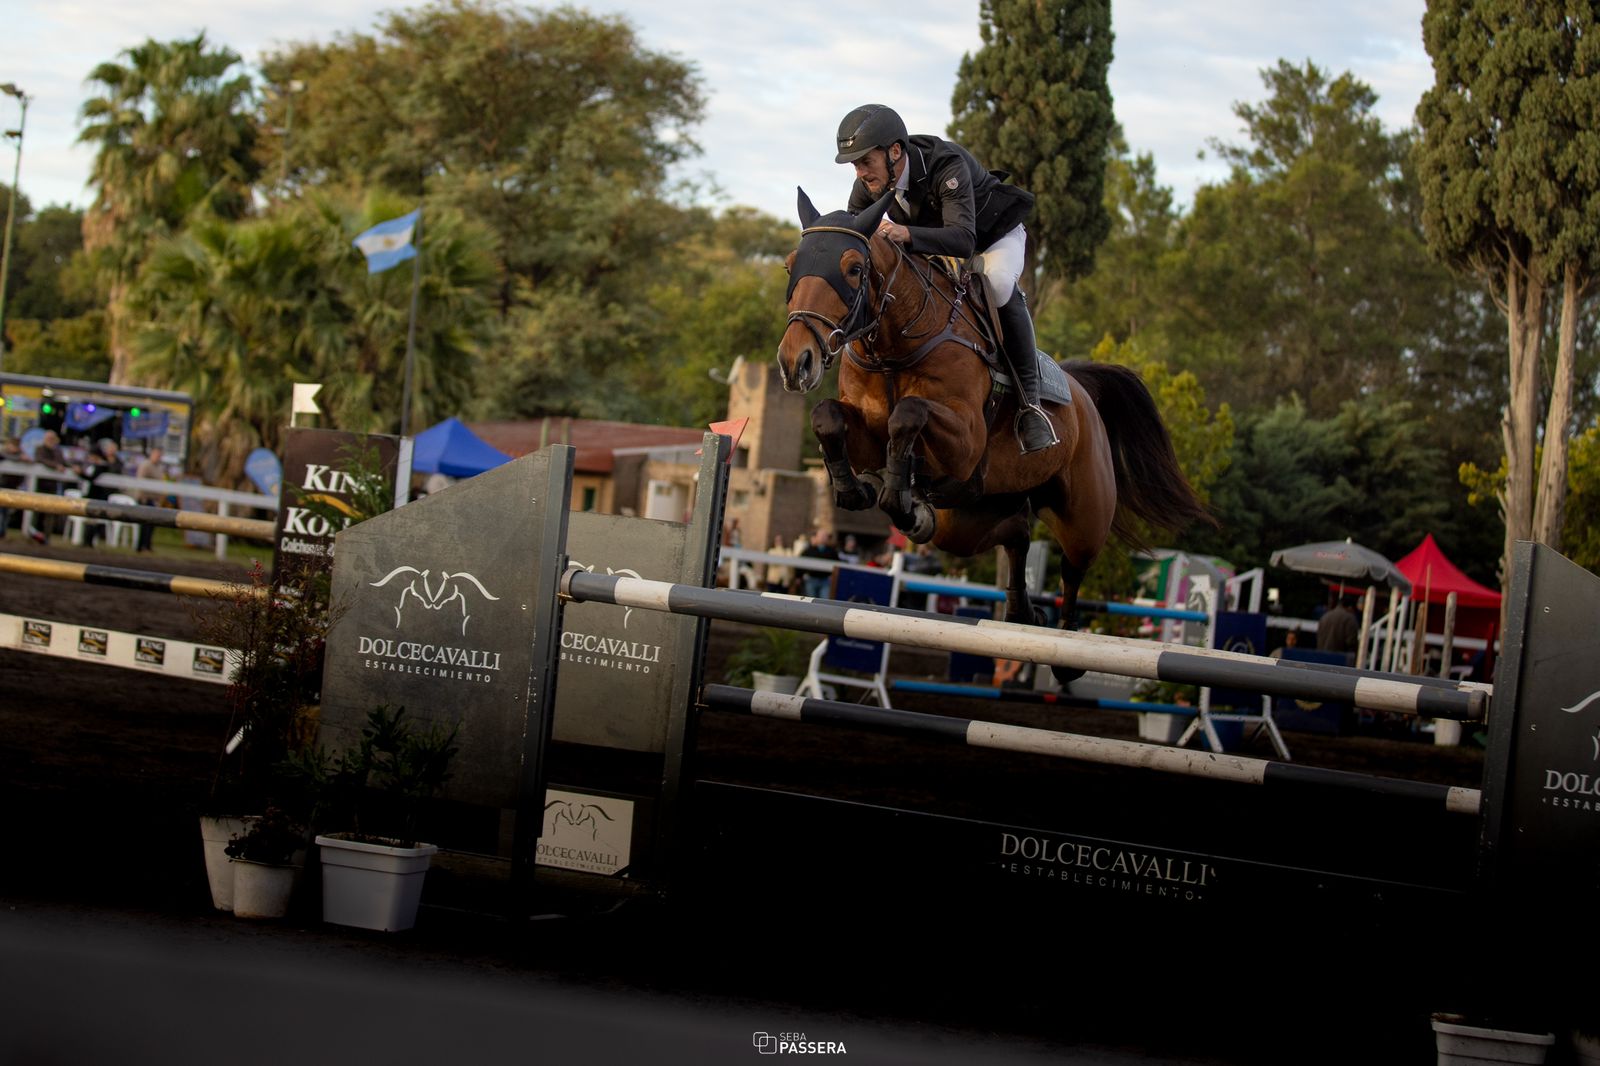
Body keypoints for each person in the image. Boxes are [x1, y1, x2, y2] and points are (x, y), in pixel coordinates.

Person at [835, 103, 1057, 454]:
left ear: (895, 152)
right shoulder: (869, 184)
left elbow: (963, 239)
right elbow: (857, 239)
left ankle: (1031, 407)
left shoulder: (944, 165)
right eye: (855, 165)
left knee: (998, 285)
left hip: (990, 237)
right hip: (934, 246)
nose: (860, 172)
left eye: (866, 162)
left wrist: (905, 233)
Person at [80, 438, 123, 548]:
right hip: (95, 494)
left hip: (99, 495)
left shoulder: (103, 465)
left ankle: (88, 541)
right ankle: (87, 541)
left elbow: (91, 477)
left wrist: (79, 473)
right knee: (91, 518)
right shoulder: (100, 464)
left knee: (93, 518)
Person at [133, 447, 170, 552]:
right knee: (144, 523)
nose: (158, 457)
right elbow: (141, 482)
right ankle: (141, 546)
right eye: (157, 455)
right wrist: (142, 497)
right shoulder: (146, 465)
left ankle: (147, 545)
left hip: (154, 499)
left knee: (152, 523)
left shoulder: (158, 467)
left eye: (160, 455)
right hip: (145, 498)